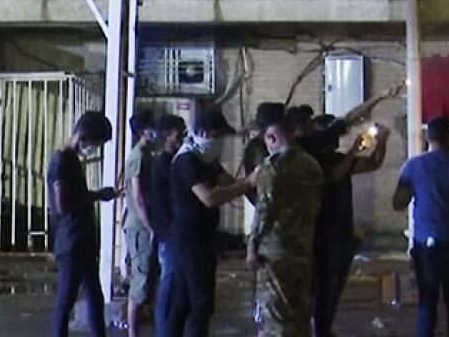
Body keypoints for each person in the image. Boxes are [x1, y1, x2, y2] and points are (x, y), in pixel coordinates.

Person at [165, 110, 259, 337]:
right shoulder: (188, 160)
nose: (221, 143)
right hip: (190, 240)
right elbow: (210, 197)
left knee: (183, 301)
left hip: (200, 238)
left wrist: (250, 185)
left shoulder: (206, 159)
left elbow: (230, 183)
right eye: (218, 136)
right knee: (201, 303)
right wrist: (248, 182)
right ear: (204, 133)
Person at [392, 117, 449, 337]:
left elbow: (398, 202)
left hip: (426, 243)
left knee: (427, 299)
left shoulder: (414, 166)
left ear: (428, 138)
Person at [309, 115, 390, 337]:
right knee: (321, 287)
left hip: (340, 233)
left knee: (332, 288)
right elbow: (334, 176)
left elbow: (373, 162)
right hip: (321, 233)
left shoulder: (338, 158)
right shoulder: (312, 160)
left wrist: (381, 140)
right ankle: (319, 329)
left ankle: (322, 328)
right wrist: (354, 151)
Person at [246, 108, 324, 337]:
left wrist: (252, 245)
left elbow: (265, 210)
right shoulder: (312, 165)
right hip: (302, 249)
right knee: (299, 314)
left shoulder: (274, 167)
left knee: (275, 317)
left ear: (272, 137)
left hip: (275, 253)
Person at [47, 111, 119, 337]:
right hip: (71, 242)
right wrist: (96, 196)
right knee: (65, 301)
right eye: (96, 143)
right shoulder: (61, 163)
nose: (94, 148)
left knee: (95, 299)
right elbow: (62, 205)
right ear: (84, 137)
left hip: (81, 241)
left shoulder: (72, 162)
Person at [150, 114, 186, 337]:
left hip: (169, 232)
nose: (181, 138)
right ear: (166, 137)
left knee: (172, 287)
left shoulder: (166, 162)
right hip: (168, 233)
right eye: (177, 134)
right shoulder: (164, 163)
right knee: (168, 287)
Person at [123, 109, 158, 337]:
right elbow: (138, 196)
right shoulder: (137, 156)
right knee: (140, 282)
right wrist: (149, 226)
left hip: (143, 225)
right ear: (142, 131)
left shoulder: (147, 155)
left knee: (147, 279)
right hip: (140, 227)